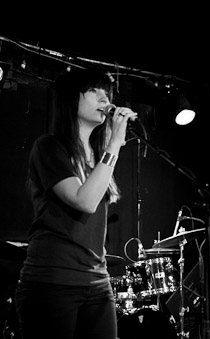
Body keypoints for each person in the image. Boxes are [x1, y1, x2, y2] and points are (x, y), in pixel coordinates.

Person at [15, 68, 137, 339]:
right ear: (72, 98)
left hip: (97, 281)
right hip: (52, 282)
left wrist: (110, 146)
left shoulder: (98, 155)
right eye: (96, 91)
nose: (106, 100)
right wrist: (116, 142)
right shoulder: (49, 148)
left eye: (108, 94)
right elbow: (85, 201)